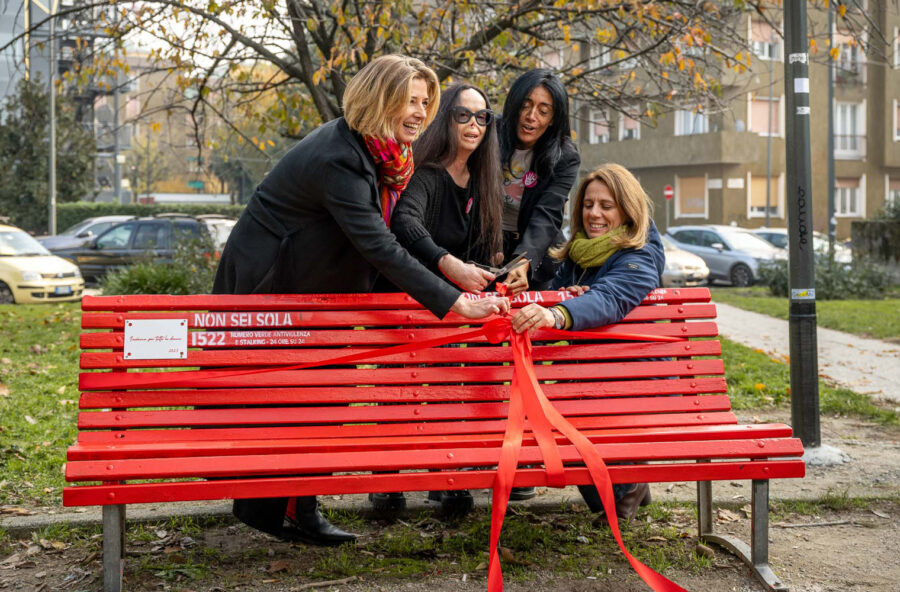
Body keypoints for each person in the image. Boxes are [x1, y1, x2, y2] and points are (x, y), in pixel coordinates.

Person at [212, 55, 509, 547]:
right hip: (272, 285)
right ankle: (277, 507)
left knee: (327, 396)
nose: (420, 112)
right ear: (380, 99)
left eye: (424, 102)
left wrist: (453, 268)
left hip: (312, 289)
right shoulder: (342, 157)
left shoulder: (382, 155)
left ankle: (297, 506)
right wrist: (455, 303)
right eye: (409, 101)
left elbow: (386, 235)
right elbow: (377, 243)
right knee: (291, 401)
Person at [510, 163, 665, 522]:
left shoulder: (639, 254)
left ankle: (627, 486)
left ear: (627, 210)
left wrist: (560, 313)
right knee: (548, 412)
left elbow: (612, 297)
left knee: (558, 418)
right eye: (588, 204)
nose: (594, 213)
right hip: (593, 375)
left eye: (606, 206)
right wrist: (566, 297)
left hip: (636, 380)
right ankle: (627, 485)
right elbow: (561, 295)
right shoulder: (580, 253)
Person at [379, 83, 504, 515]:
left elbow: (487, 246)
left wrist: (501, 267)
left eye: (482, 117)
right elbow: (404, 223)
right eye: (463, 115)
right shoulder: (428, 173)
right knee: (399, 392)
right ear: (445, 118)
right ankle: (388, 479)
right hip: (410, 302)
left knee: (454, 389)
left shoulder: (484, 182)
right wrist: (448, 264)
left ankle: (448, 476)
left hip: (456, 309)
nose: (474, 125)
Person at [498, 68, 581, 298]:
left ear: (553, 119)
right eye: (525, 106)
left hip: (535, 259)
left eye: (543, 111)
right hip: (485, 254)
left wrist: (523, 260)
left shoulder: (565, 156)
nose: (531, 116)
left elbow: (548, 214)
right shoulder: (489, 135)